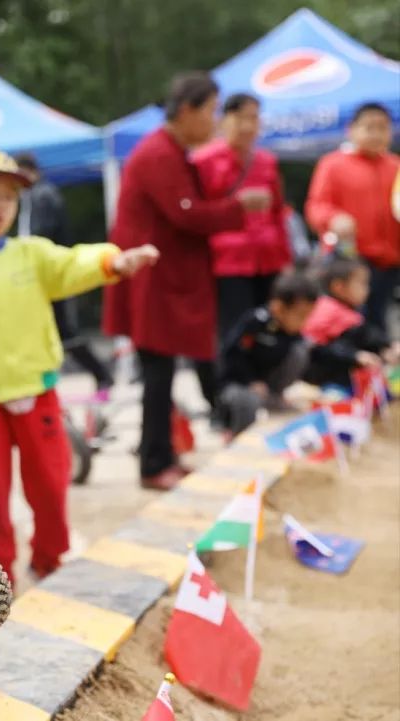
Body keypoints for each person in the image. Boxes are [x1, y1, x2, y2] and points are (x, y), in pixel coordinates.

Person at [0, 150, 158, 585]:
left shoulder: (31, 254)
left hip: (38, 392)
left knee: (52, 485)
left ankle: (49, 560)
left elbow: (72, 264)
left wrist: (112, 261)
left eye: (9, 196)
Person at [102, 72, 271, 491]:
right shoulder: (159, 153)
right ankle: (154, 462)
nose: (214, 120)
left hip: (165, 278)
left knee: (163, 373)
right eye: (211, 110)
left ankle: (163, 454)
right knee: (158, 374)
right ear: (186, 110)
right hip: (153, 281)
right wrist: (238, 206)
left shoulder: (172, 151)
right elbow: (187, 213)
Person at [15, 154, 115, 399]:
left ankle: (102, 375)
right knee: (57, 331)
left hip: (49, 272)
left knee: (64, 332)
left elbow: (40, 236)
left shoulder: (43, 195)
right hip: (42, 272)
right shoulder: (32, 196)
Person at [193, 93, 290, 342]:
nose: (248, 126)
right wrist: (237, 206)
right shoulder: (203, 161)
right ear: (224, 120)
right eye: (240, 118)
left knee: (269, 331)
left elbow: (278, 213)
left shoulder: (267, 161)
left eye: (254, 118)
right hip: (227, 261)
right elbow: (196, 213)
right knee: (234, 332)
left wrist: (285, 258)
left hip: (268, 258)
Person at [305, 102, 400, 334]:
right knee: (353, 323)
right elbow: (316, 206)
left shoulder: (395, 166)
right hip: (351, 260)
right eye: (369, 127)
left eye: (382, 128)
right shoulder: (333, 164)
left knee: (382, 321)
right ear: (352, 129)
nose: (376, 134)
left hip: (390, 260)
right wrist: (333, 218)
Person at [216, 272, 318, 437]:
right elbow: (233, 355)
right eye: (301, 315)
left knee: (301, 350)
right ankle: (234, 432)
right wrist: (250, 381)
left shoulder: (291, 332)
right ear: (278, 308)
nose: (304, 321)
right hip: (240, 384)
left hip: (267, 385)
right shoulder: (255, 322)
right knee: (248, 403)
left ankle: (275, 398)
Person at [302, 257, 399, 391]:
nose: (367, 290)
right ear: (339, 287)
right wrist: (356, 356)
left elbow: (366, 334)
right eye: (362, 284)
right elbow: (317, 345)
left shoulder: (346, 310)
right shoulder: (328, 309)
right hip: (318, 374)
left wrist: (388, 345)